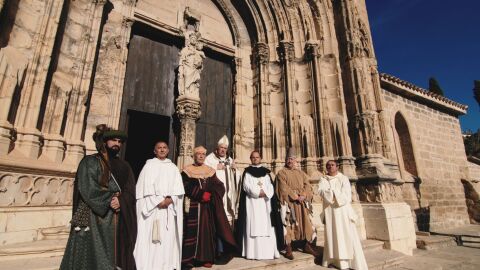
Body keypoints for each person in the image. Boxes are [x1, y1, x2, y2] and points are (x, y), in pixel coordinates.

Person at [60, 124, 137, 270]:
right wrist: (109, 199)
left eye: (120, 141)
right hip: (94, 219)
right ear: (105, 141)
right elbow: (87, 186)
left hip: (117, 219)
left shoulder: (125, 166)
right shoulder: (90, 161)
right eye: (113, 140)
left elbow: (130, 190)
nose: (117, 144)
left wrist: (121, 201)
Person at [181, 146, 237, 268]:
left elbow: (220, 186)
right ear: (194, 156)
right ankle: (189, 260)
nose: (201, 156)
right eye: (198, 154)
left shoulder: (210, 171)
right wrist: (200, 194)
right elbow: (185, 186)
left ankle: (206, 258)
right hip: (193, 206)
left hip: (207, 207)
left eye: (203, 154)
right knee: (191, 232)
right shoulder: (187, 170)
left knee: (207, 232)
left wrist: (211, 195)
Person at [133, 141, 185, 270]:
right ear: (154, 151)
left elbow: (178, 190)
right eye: (159, 148)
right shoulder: (149, 166)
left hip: (168, 209)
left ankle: (165, 266)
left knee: (166, 239)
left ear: (168, 150)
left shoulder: (173, 167)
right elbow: (143, 189)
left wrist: (169, 200)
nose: (162, 150)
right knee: (151, 239)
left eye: (164, 148)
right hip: (152, 210)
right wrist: (158, 202)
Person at [318, 160, 368, 270]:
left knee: (346, 234)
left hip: (342, 212)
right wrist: (333, 193)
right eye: (328, 165)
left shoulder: (343, 178)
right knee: (332, 236)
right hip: (330, 212)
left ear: (337, 167)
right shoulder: (323, 179)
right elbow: (321, 191)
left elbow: (346, 196)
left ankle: (349, 263)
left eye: (332, 165)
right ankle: (333, 261)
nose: (330, 167)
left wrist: (332, 192)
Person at [235, 150, 282, 260]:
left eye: (257, 157)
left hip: (265, 203)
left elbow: (271, 186)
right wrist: (257, 193)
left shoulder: (266, 173)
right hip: (252, 203)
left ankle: (268, 252)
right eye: (253, 157)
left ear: (260, 158)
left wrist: (265, 193)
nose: (255, 159)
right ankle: (252, 253)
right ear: (250, 159)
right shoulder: (247, 172)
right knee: (253, 224)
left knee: (267, 226)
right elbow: (246, 186)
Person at [275, 148, 319, 260]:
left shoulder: (301, 173)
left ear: (296, 161)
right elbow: (283, 188)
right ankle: (288, 248)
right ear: (285, 160)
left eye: (292, 159)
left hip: (302, 203)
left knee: (307, 223)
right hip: (290, 203)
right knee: (288, 224)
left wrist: (304, 195)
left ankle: (307, 245)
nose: (290, 161)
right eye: (288, 159)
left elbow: (308, 185)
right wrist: (295, 197)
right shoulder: (281, 173)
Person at [204, 135, 240, 225]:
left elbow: (237, 178)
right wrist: (215, 167)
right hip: (217, 193)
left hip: (228, 193)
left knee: (227, 217)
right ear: (217, 148)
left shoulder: (230, 160)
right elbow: (204, 170)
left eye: (225, 148)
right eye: (221, 147)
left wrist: (235, 170)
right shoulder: (210, 159)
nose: (223, 150)